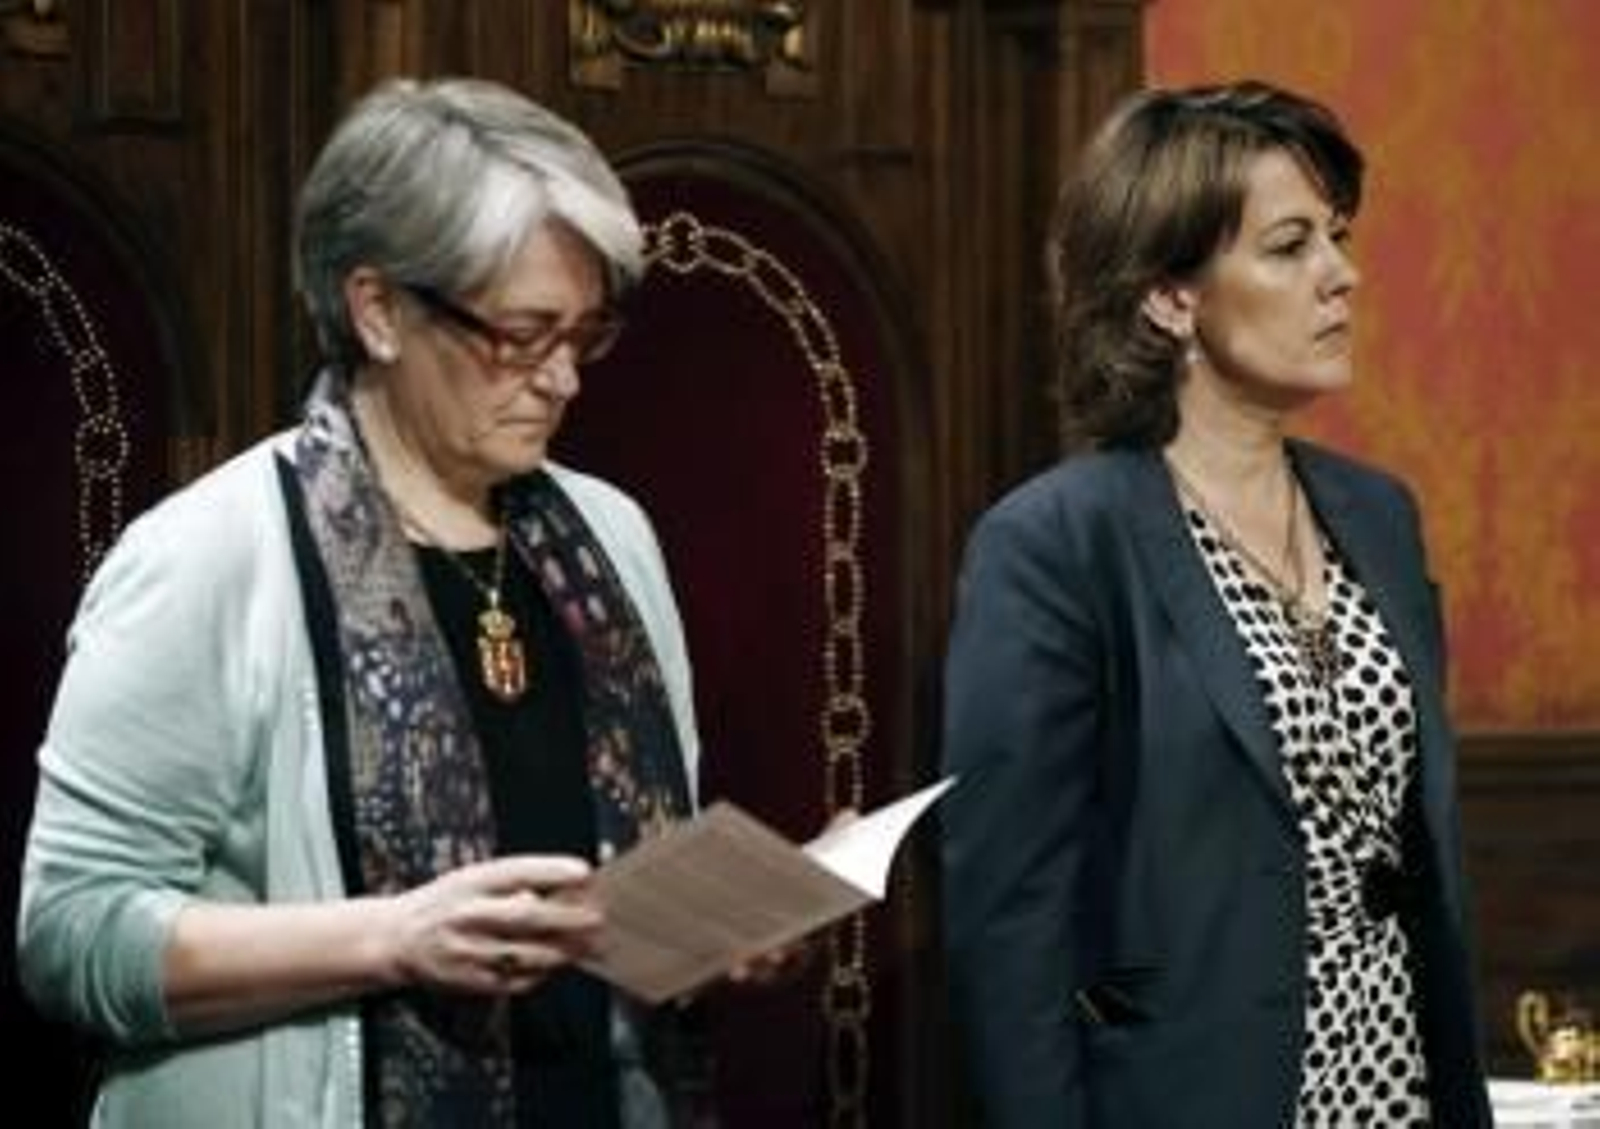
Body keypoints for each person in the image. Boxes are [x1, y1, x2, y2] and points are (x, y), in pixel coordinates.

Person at [15, 75, 783, 1128]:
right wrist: (389, 938)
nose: (563, 378)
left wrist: (719, 917)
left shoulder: (613, 537)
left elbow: (627, 892)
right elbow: (70, 933)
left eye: (586, 335)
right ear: (377, 309)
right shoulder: (207, 557)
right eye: (522, 333)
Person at [940, 80, 1492, 1127]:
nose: (1342, 276)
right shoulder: (1054, 544)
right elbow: (1010, 923)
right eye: (1289, 247)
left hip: (1400, 1083)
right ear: (1169, 296)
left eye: (1336, 237)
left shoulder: (1377, 514)